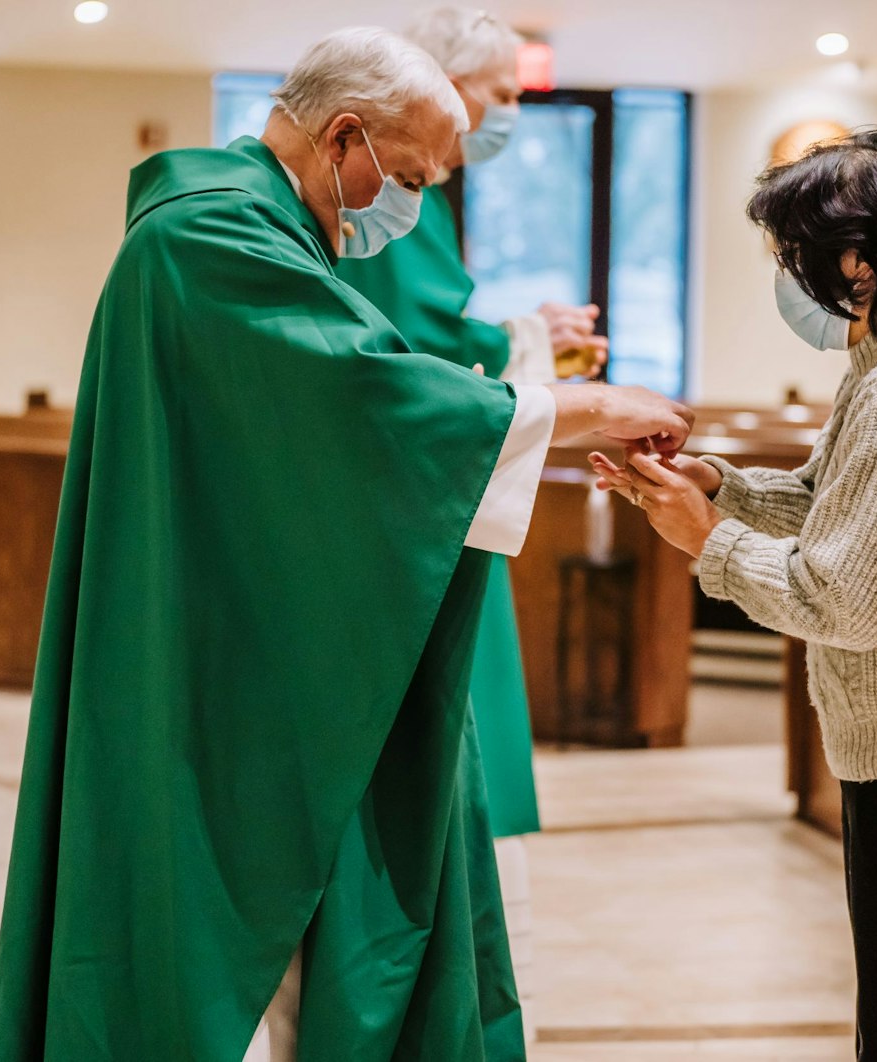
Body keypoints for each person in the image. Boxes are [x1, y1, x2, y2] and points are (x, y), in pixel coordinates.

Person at [0, 27, 692, 1062]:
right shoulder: (209, 240)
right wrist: (581, 409)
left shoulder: (256, 231)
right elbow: (369, 400)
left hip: (242, 630)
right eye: (405, 178)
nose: (401, 212)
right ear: (344, 137)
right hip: (209, 667)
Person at [591, 128, 877, 1062]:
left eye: (792, 258)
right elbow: (824, 500)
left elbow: (842, 599)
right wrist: (714, 486)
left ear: (855, 258)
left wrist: (708, 543)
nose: (787, 281)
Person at [335, 9, 599, 1029]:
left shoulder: (415, 190)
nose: (503, 119)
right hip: (410, 512)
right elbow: (409, 353)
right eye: (495, 97)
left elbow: (437, 332)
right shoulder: (390, 190)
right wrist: (526, 350)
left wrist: (522, 337)